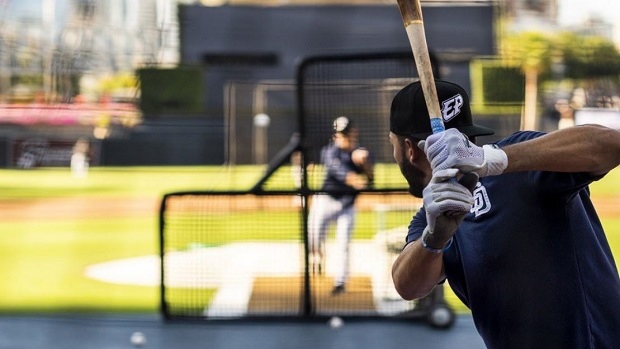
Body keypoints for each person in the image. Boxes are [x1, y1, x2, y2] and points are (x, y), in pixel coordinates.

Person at [388, 80, 620, 348]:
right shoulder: (433, 217)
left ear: (408, 149)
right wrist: (434, 239)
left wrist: (491, 159)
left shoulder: (522, 162)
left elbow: (612, 144)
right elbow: (407, 287)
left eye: (392, 143)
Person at [308, 116, 374, 295]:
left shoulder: (361, 152)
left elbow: (370, 180)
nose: (343, 137)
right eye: (340, 134)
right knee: (313, 239)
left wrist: (365, 164)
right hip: (325, 201)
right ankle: (318, 257)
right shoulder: (330, 152)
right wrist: (356, 180)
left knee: (343, 243)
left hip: (347, 205)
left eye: (347, 133)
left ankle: (340, 282)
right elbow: (340, 173)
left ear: (354, 133)